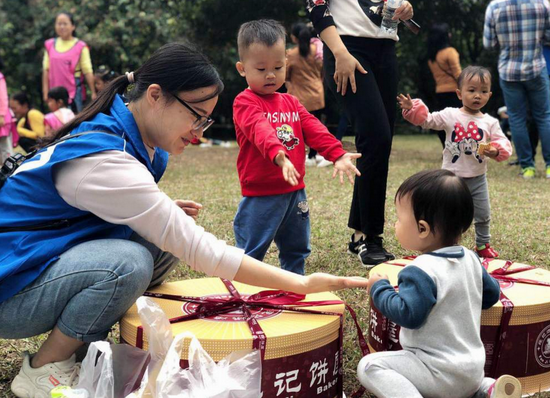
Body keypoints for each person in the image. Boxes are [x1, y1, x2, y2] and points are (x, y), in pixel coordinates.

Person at [0, 42, 370, 398]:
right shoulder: (105, 157)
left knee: (154, 240)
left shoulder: (133, 135)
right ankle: (44, 368)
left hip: (33, 265)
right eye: (196, 117)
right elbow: (198, 247)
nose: (198, 133)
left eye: (206, 122)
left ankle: (81, 348)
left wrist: (154, 211)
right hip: (10, 291)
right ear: (156, 95)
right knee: (128, 263)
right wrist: (302, 284)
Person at [358, 169, 522, 398]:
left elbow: (408, 315)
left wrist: (380, 288)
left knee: (370, 366)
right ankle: (486, 390)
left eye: (398, 219)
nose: (394, 224)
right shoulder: (471, 259)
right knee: (466, 385)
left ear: (422, 229)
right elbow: (492, 294)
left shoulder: (420, 270)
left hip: (435, 371)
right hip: (473, 370)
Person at [233, 20, 361, 275]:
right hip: (261, 193)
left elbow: (313, 128)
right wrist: (279, 156)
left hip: (295, 191)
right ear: (242, 69)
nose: (271, 75)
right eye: (261, 68)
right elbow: (260, 130)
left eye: (278, 67)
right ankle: (243, 289)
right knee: (251, 250)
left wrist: (337, 153)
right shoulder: (244, 102)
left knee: (296, 246)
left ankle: (295, 284)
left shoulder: (290, 102)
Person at [306, 0, 414, 267]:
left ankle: (359, 232)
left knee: (379, 143)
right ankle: (371, 236)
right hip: (347, 47)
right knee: (376, 137)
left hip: (386, 48)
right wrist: (340, 52)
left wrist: (407, 10)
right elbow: (316, 7)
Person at [397, 66, 513, 258]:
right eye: (472, 90)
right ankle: (443, 242)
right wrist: (413, 109)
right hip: (450, 178)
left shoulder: (490, 122)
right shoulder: (451, 114)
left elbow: (503, 142)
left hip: (478, 178)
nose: (477, 96)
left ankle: (483, 244)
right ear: (459, 93)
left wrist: (495, 150)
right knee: (446, 213)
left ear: (489, 95)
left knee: (483, 213)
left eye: (483, 92)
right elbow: (428, 120)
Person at [484, 0, 550, 179]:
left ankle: (527, 167)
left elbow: (488, 44)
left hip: (509, 71)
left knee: (516, 119)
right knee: (544, 116)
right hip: (536, 68)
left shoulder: (495, 7)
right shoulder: (542, 4)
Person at [286, 22, 331, 168]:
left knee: (296, 127)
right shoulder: (317, 51)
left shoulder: (292, 54)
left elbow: (286, 75)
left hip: (299, 96)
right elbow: (322, 71)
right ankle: (313, 154)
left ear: (294, 37)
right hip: (316, 94)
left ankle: (299, 154)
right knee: (316, 126)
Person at [43, 12, 97, 113]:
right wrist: (45, 92)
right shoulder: (49, 45)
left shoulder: (80, 46)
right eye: (59, 24)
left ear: (73, 26)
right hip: (55, 93)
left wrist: (93, 92)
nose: (62, 27)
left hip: (74, 92)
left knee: (74, 121)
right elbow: (46, 70)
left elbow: (87, 71)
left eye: (65, 23)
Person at [427, 22, 463, 148]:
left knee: (442, 122)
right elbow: (458, 74)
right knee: (459, 122)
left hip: (439, 92)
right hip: (454, 92)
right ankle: (458, 147)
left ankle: (447, 148)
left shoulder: (432, 57)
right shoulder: (450, 52)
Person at [0, 56, 17, 164]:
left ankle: (10, 172)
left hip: (2, 117)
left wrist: (1, 114)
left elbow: (3, 97)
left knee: (5, 148)